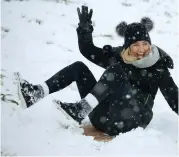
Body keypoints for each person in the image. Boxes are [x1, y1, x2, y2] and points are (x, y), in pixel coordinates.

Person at [17, 6, 178, 136]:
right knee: (79, 67)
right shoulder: (119, 57)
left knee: (115, 70)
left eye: (144, 43)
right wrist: (85, 31)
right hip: (103, 118)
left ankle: (82, 109)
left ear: (149, 43)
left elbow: (174, 99)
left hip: (132, 121)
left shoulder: (158, 67)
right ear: (128, 46)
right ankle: (35, 93)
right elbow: (88, 50)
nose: (141, 49)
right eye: (135, 44)